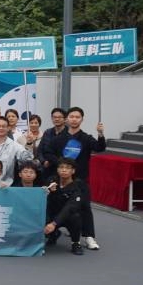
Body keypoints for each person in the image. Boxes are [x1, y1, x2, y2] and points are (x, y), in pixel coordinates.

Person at [40, 106, 104, 250]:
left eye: (77, 117)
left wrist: (100, 133)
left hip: (80, 179)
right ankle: (53, 232)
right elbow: (47, 152)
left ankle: (89, 236)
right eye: (72, 116)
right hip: (60, 179)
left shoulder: (86, 138)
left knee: (85, 207)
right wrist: (63, 165)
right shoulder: (58, 139)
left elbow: (99, 147)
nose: (74, 119)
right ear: (67, 119)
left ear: (82, 119)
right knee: (52, 205)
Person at [45, 158, 88, 255]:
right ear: (57, 169)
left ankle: (75, 243)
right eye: (61, 167)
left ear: (73, 171)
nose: (64, 170)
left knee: (76, 217)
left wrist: (54, 224)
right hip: (52, 213)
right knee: (41, 214)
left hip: (68, 216)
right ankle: (54, 234)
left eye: (67, 168)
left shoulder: (78, 186)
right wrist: (48, 192)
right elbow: (43, 200)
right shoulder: (51, 181)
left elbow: (70, 207)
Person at [39, 108, 68, 180]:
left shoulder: (69, 133)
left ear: (65, 119)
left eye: (59, 117)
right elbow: (40, 150)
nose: (56, 119)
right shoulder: (47, 132)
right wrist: (43, 161)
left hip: (64, 168)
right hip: (47, 168)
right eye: (54, 117)